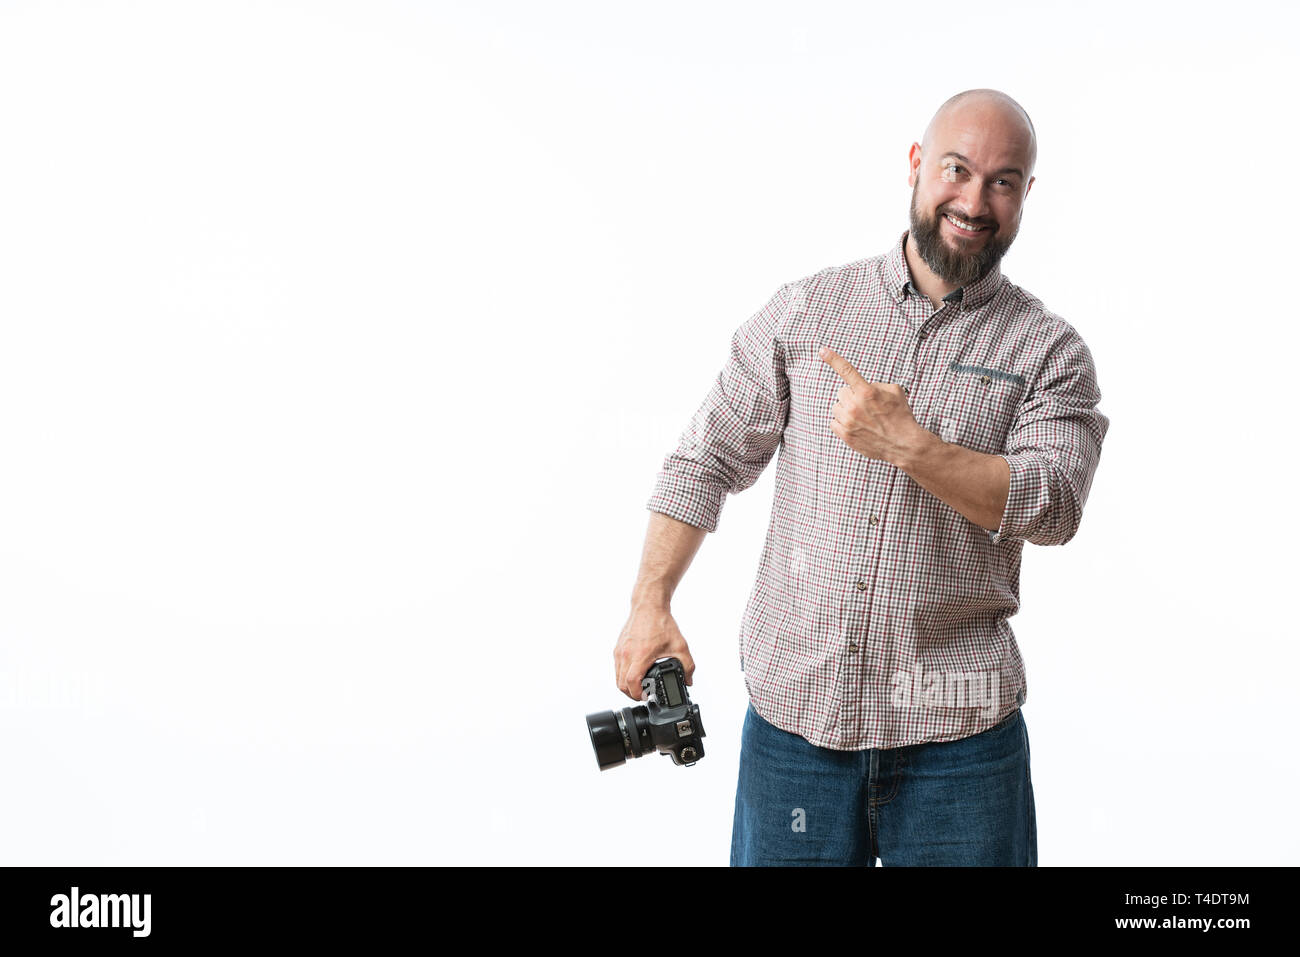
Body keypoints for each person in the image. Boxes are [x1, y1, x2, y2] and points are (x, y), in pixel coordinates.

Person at [613, 89, 1109, 866]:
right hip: (796, 729)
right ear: (916, 166)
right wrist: (650, 603)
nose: (975, 200)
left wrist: (912, 445)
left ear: (1026, 196)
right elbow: (704, 459)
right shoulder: (809, 308)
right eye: (957, 169)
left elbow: (1053, 504)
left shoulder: (1050, 352)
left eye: (1003, 181)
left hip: (960, 743)